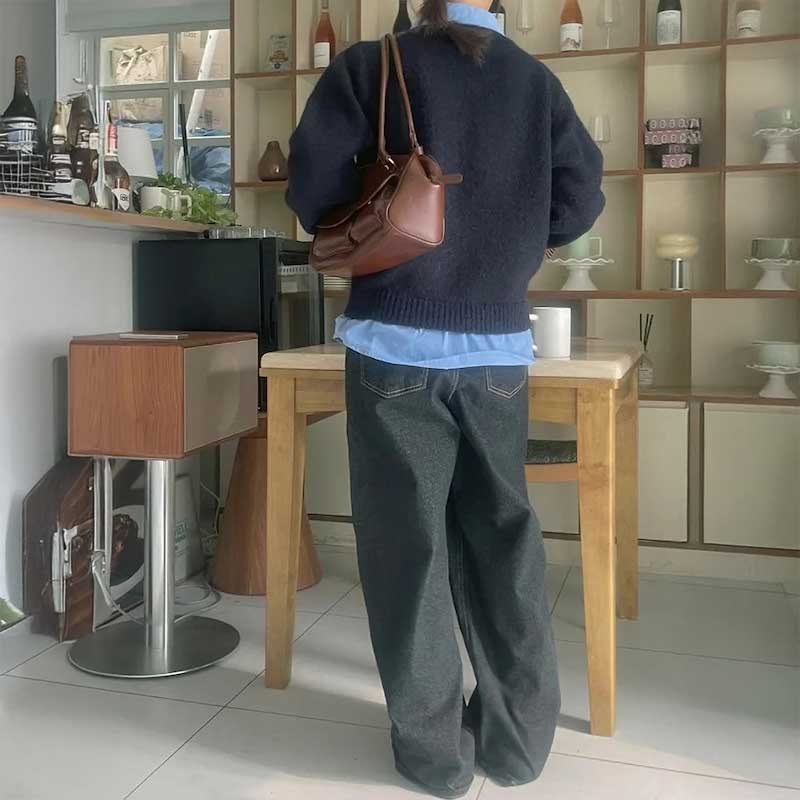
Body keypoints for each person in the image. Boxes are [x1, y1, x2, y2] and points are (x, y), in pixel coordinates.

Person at [286, 1, 604, 796]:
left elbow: (311, 187)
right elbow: (580, 199)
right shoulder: (536, 82)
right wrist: (508, 240)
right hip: (498, 348)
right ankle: (518, 747)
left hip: (392, 341)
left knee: (408, 549)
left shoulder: (373, 64)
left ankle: (436, 758)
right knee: (504, 536)